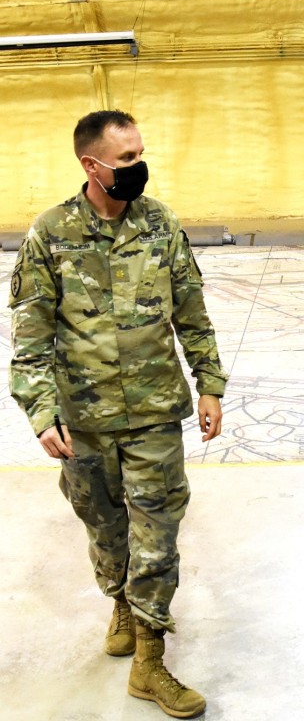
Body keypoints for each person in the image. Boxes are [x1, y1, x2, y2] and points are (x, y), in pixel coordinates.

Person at [9, 110, 228, 718]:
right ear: (92, 165)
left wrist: (209, 384)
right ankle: (122, 604)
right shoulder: (50, 234)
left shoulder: (160, 223)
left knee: (157, 533)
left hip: (156, 410)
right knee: (104, 526)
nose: (138, 167)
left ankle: (151, 659)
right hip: (84, 418)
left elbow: (191, 310)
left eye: (138, 154)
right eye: (126, 159)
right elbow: (30, 335)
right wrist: (41, 411)